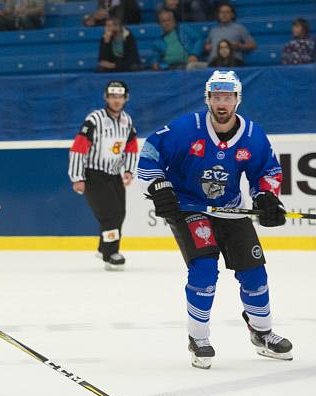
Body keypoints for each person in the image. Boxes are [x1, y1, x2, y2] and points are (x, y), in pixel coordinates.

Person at [138, 70, 293, 369]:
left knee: (255, 273)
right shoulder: (187, 128)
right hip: (190, 207)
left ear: (237, 99)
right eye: (217, 97)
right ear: (208, 98)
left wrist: (266, 198)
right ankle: (198, 337)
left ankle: (262, 332)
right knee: (205, 269)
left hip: (230, 210)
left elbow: (268, 171)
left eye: (228, 97)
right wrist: (159, 184)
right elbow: (149, 153)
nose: (222, 103)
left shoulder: (252, 135)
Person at [68, 80, 138, 270]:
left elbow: (131, 147)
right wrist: (78, 177)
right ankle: (110, 254)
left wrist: (129, 170)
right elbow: (79, 148)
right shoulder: (94, 119)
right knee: (109, 215)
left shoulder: (127, 121)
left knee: (120, 213)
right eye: (113, 96)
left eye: (120, 96)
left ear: (126, 98)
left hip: (114, 174)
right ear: (106, 97)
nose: (116, 100)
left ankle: (103, 248)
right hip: (94, 175)